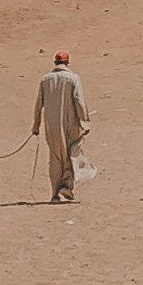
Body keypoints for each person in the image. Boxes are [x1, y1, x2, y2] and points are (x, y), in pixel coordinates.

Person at [32, 50, 90, 202]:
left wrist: (36, 125)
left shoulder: (45, 79)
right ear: (67, 63)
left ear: (55, 63)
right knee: (72, 154)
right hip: (70, 123)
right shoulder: (73, 78)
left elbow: (39, 104)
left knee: (55, 158)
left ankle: (55, 194)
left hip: (51, 126)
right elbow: (79, 100)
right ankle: (67, 186)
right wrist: (85, 121)